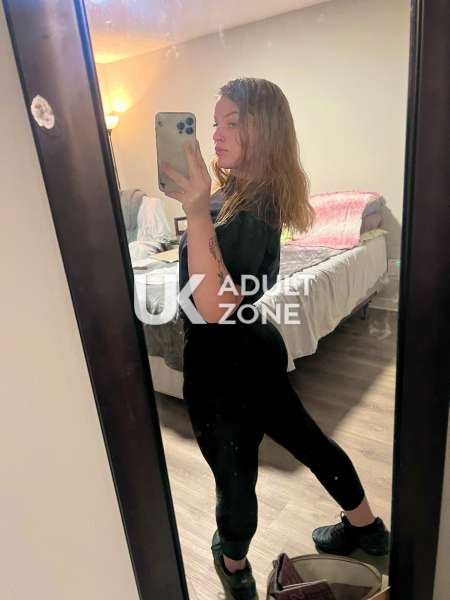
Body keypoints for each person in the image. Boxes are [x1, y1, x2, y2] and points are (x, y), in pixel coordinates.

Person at [160, 77, 389, 600]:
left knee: (235, 476)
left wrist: (195, 211)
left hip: (221, 365)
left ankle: (233, 565)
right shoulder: (245, 194)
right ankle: (367, 529)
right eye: (214, 123)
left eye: (232, 122)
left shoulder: (252, 205)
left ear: (263, 130)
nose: (216, 134)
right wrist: (199, 203)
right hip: (253, 348)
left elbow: (213, 307)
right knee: (307, 440)